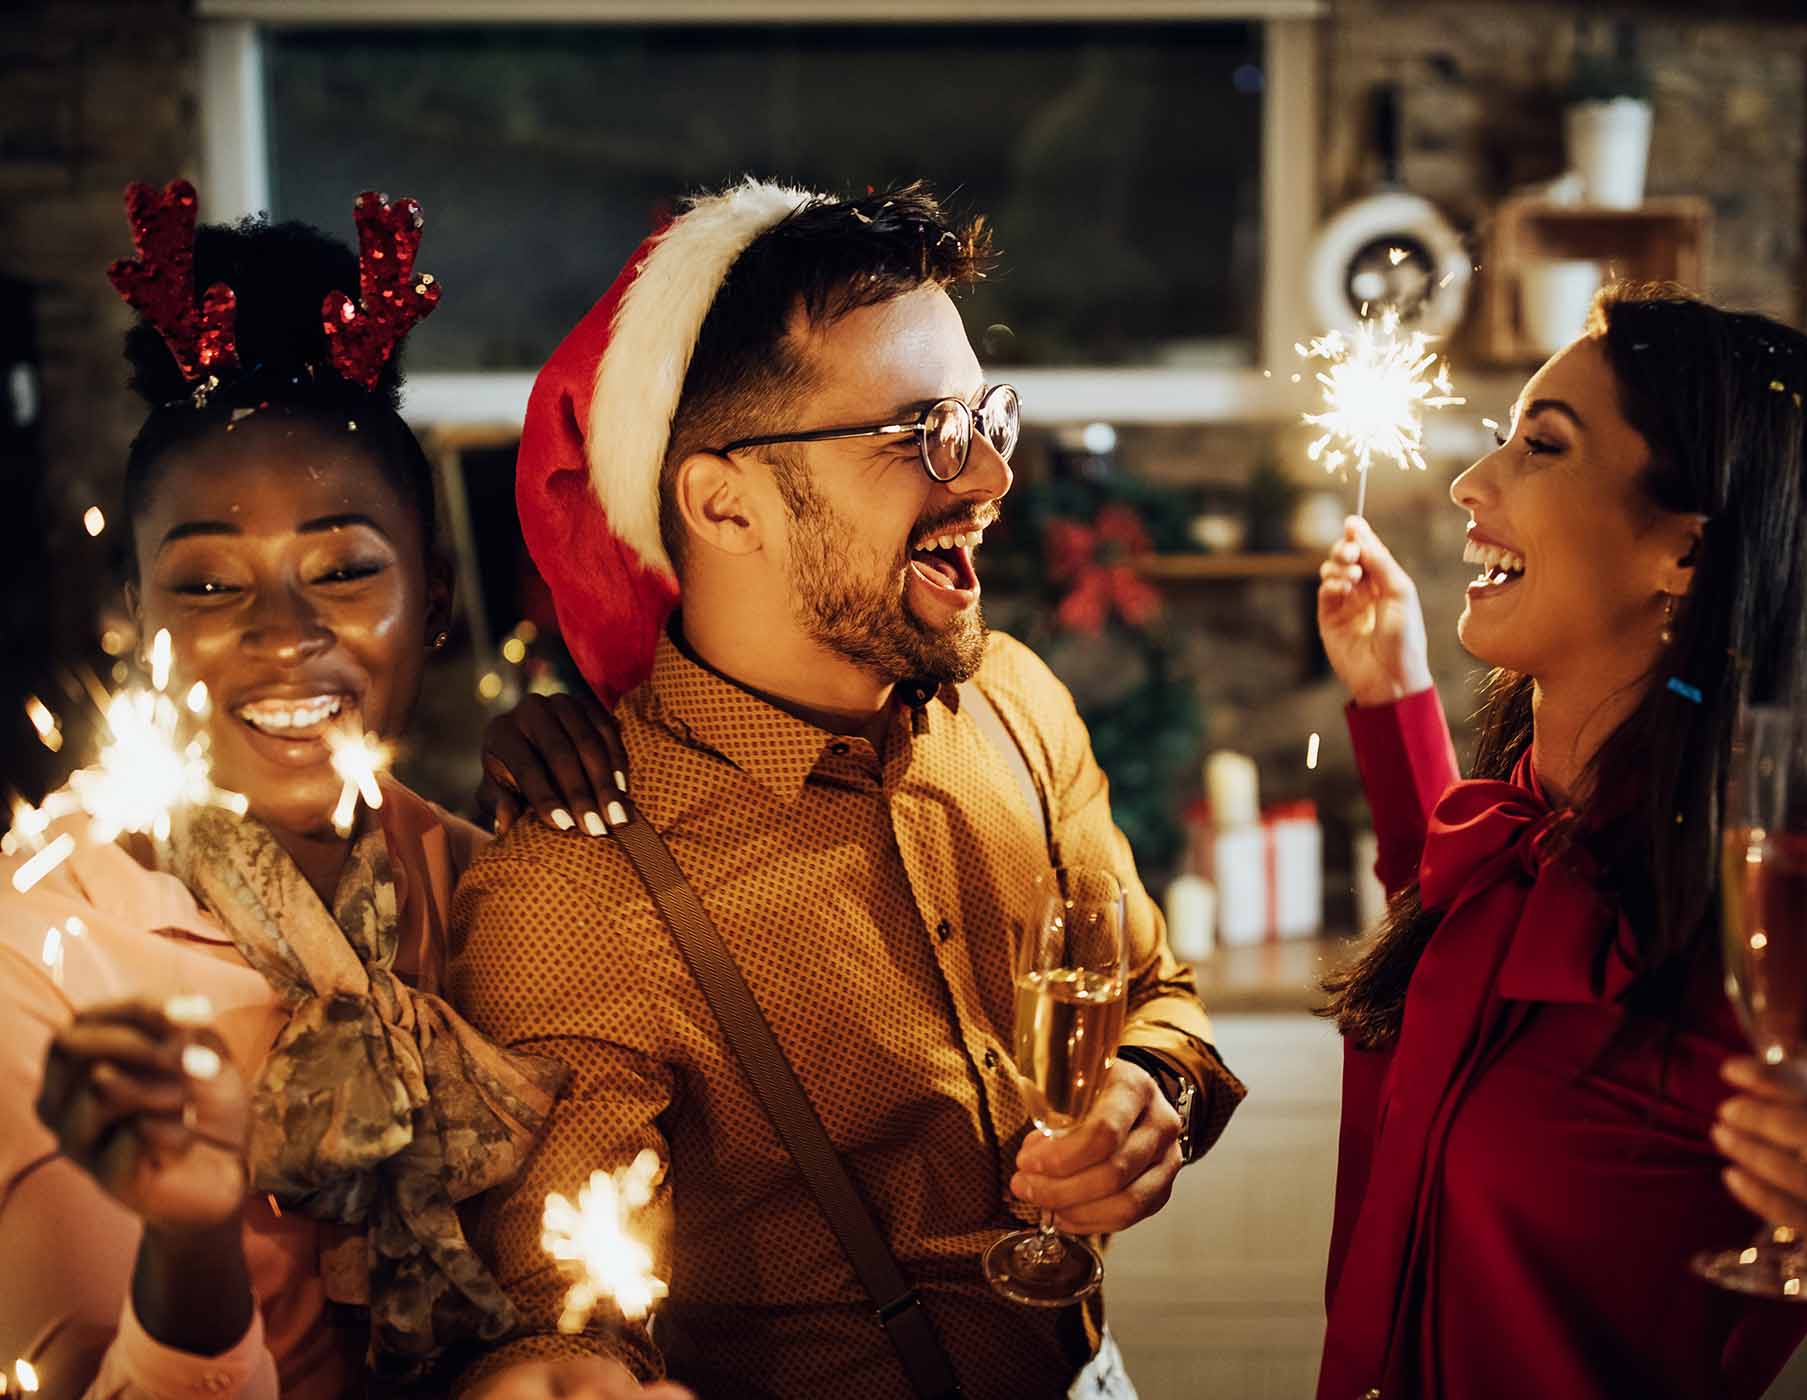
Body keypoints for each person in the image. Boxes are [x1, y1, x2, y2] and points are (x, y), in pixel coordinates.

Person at [448, 179, 1246, 1399]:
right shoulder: (578, 887)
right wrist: (557, 1370)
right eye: (922, 430)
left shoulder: (1015, 701)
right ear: (723, 500)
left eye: (988, 416)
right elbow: (557, 1319)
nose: (987, 477)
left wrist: (1157, 1086)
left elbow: (1152, 988)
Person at [0, 184, 689, 1400]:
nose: (282, 631)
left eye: (343, 569)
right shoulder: (41, 937)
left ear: (433, 604)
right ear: (130, 614)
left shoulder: (485, 880)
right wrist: (193, 1231)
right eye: (209, 585)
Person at [1312, 281, 1807, 1397]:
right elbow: (1449, 945)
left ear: (1680, 553)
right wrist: (1393, 696)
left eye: (1539, 446)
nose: (1468, 482)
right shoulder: (1516, 841)